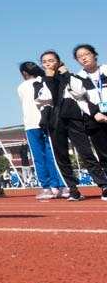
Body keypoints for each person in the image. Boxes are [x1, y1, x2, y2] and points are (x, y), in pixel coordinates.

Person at [39, 50, 107, 201]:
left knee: (86, 152)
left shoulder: (70, 76)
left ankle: (103, 185)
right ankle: (73, 189)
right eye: (44, 62)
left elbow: (79, 91)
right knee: (61, 156)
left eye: (51, 60)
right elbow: (45, 98)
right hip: (54, 121)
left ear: (58, 61)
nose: (48, 63)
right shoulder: (40, 80)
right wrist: (49, 78)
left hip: (74, 118)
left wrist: (66, 74)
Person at [17, 61, 65, 199]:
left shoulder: (21, 87)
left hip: (31, 124)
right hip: (47, 121)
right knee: (53, 154)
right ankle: (60, 185)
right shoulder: (45, 80)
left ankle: (47, 188)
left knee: (39, 157)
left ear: (24, 73)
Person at [72, 44, 107, 201]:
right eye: (80, 56)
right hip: (94, 119)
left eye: (87, 54)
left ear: (94, 54)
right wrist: (95, 114)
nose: (84, 57)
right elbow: (81, 100)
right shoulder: (77, 78)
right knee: (103, 153)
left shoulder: (105, 70)